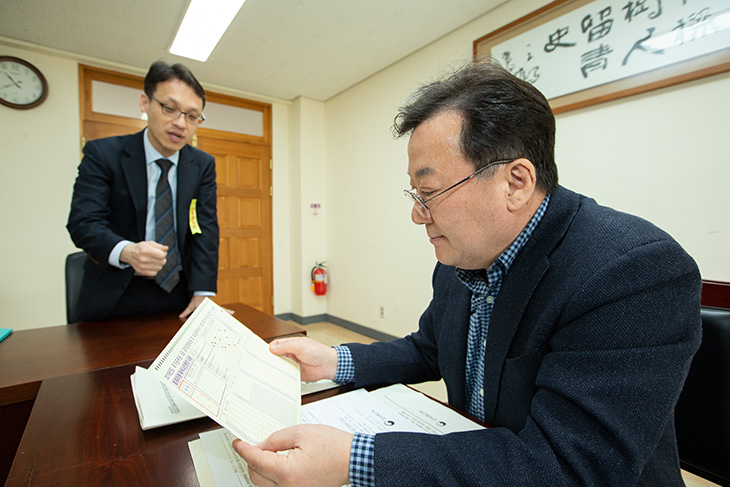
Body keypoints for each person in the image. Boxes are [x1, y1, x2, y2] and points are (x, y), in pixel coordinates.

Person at [232, 60, 702, 486]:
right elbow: (429, 348)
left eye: (429, 192)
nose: (418, 215)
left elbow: (570, 466)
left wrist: (356, 459)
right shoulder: (464, 257)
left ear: (515, 183)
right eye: (414, 195)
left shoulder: (630, 272)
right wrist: (334, 362)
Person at [67, 61, 219, 321]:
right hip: (113, 293)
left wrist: (203, 291)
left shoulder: (201, 165)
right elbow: (84, 222)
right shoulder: (103, 154)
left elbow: (203, 227)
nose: (181, 123)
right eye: (170, 108)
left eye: (192, 116)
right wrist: (127, 251)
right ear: (144, 103)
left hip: (178, 295)